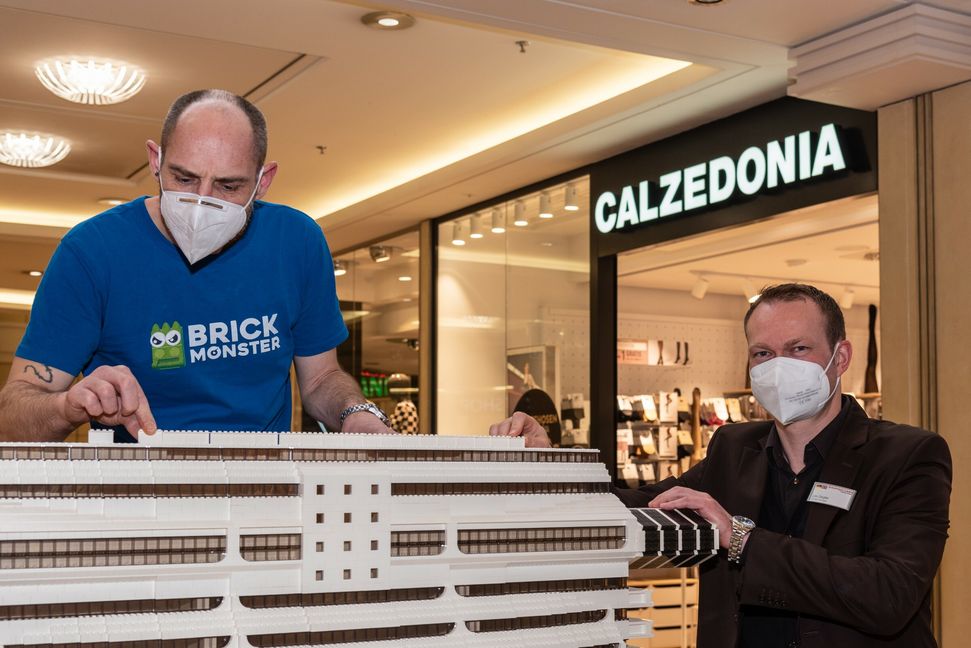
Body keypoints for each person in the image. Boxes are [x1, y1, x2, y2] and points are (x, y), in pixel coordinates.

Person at [491, 283, 951, 647]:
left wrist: (741, 537)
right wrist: (549, 464)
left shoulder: (906, 456)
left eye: (799, 349)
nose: (778, 366)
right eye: (763, 353)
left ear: (840, 357)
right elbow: (646, 505)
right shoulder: (735, 447)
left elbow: (889, 595)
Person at [0, 89, 392, 442]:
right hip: (139, 493)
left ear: (263, 180)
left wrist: (356, 413)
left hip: (262, 487)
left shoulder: (296, 241)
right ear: (156, 160)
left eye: (228, 186)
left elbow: (322, 378)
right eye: (184, 178)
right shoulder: (91, 252)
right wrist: (68, 406)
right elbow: (13, 414)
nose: (201, 203)